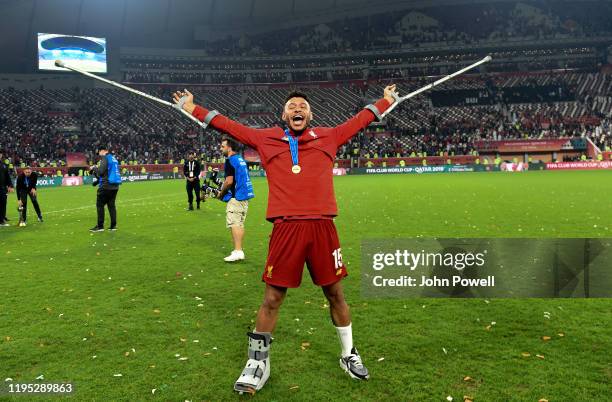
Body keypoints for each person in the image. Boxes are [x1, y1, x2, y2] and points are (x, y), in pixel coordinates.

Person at [173, 84, 397, 393]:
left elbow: (361, 119)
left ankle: (348, 354)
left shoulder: (329, 137)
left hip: (322, 228)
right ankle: (258, 364)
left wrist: (386, 101)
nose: (297, 109)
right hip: (286, 229)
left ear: (310, 114)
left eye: (302, 107)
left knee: (335, 294)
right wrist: (191, 108)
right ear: (283, 114)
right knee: (272, 299)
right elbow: (228, 124)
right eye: (292, 106)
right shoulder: (265, 139)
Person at [217, 136, 255, 262]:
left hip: (237, 197)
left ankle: (238, 251)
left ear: (229, 147)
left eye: (223, 146)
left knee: (234, 223)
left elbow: (229, 181)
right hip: (244, 196)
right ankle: (238, 249)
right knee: (239, 223)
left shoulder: (230, 161)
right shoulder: (240, 159)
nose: (220, 148)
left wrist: (221, 194)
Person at [90, 147, 122, 232]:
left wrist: (93, 168)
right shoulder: (114, 159)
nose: (99, 154)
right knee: (111, 206)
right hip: (115, 185)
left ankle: (100, 226)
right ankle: (113, 226)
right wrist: (97, 182)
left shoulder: (105, 158)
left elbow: (100, 172)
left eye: (99, 152)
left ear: (103, 151)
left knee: (100, 205)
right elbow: (107, 173)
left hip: (106, 186)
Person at [0, 149, 14, 226]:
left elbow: (7, 176)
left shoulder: (3, 165)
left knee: (3, 203)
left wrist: (10, 186)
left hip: (2, 188)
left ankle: (2, 220)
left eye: (0, 154)